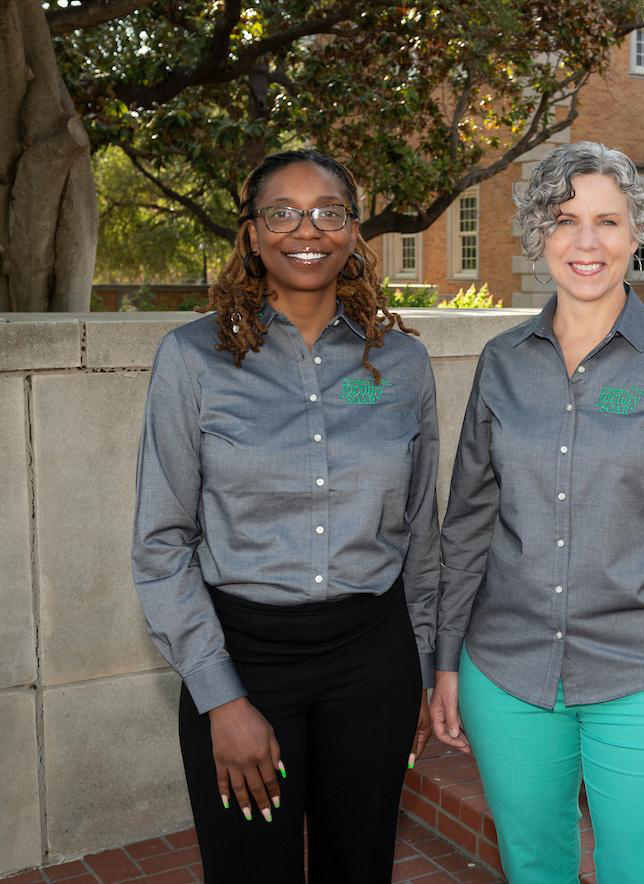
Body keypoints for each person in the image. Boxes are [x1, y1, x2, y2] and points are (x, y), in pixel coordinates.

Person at [429, 141, 644, 883]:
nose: (587, 242)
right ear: (540, 233)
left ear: (638, 233)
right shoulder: (502, 362)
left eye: (608, 222)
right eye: (566, 220)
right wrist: (445, 660)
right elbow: (468, 523)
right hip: (506, 670)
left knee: (643, 871)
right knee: (533, 866)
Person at [131, 149, 437, 883]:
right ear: (253, 234)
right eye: (283, 212)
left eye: (330, 211)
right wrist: (221, 696)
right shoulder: (191, 358)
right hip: (245, 660)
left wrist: (421, 664)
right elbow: (163, 542)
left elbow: (423, 531)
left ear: (354, 232)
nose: (309, 230)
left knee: (359, 868)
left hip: (375, 663)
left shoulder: (399, 363)